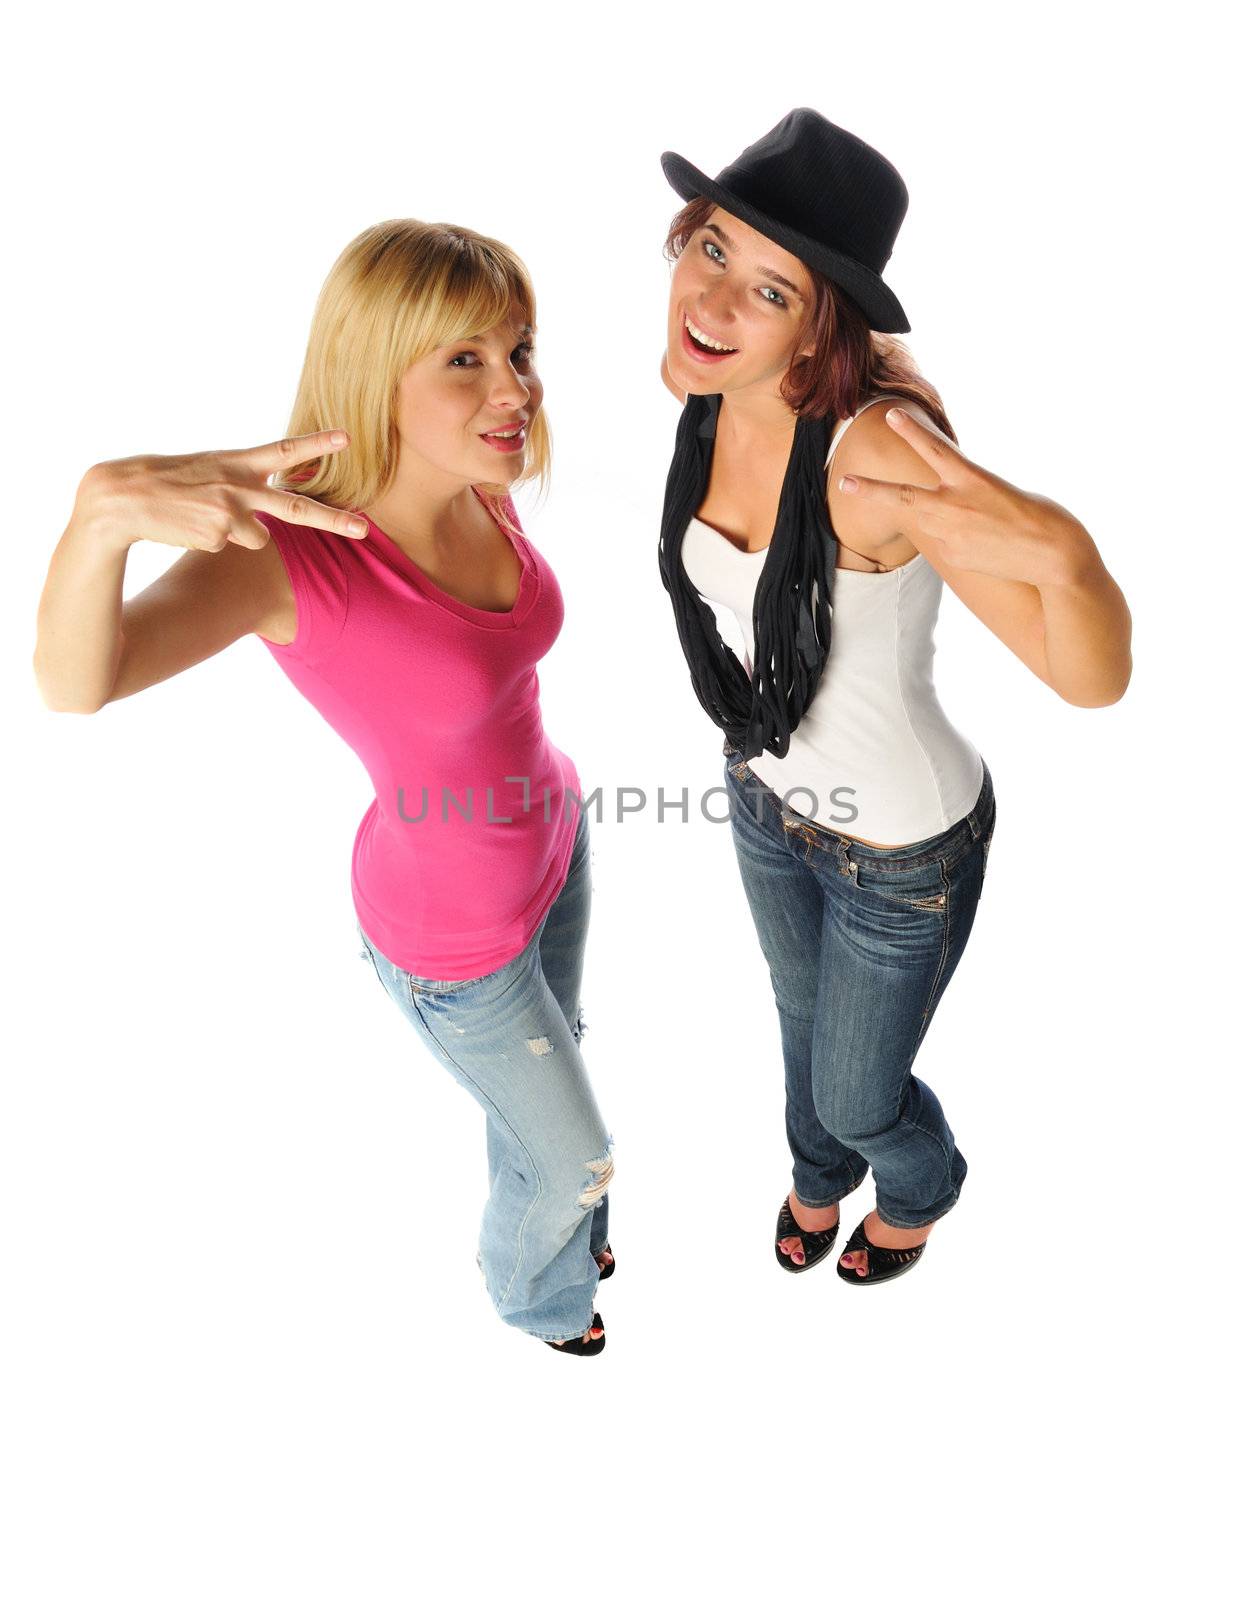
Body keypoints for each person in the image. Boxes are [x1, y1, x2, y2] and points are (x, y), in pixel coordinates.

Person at [34, 219, 614, 1353]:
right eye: (465, 358)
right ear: (374, 370)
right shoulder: (288, 556)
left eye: (520, 349)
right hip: (454, 939)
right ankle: (540, 1300)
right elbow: (74, 684)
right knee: (580, 1154)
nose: (516, 388)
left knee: (564, 1063)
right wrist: (100, 512)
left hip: (557, 839)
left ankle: (563, 1214)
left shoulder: (474, 482)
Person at [656, 110, 1131, 1284]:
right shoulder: (713, 396)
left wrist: (1067, 554)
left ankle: (917, 1185)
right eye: (712, 250)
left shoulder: (876, 454)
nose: (713, 304)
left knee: (862, 1094)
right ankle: (817, 1183)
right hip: (764, 794)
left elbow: (1092, 680)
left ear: (822, 325)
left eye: (771, 292)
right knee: (798, 1028)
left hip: (900, 850)